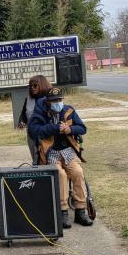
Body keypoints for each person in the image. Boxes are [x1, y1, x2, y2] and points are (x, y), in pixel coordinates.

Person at [28, 87, 91, 229]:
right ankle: (62, 211)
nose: (58, 103)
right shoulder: (40, 113)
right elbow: (33, 131)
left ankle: (80, 210)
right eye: (54, 101)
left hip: (68, 151)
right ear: (48, 102)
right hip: (50, 153)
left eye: (60, 100)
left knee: (78, 172)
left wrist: (70, 129)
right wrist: (55, 128)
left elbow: (82, 128)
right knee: (60, 175)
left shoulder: (68, 110)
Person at [18, 75, 52, 165]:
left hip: (46, 135)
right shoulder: (29, 99)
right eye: (30, 86)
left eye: (35, 85)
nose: (32, 88)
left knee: (47, 160)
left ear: (42, 85)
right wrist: (22, 121)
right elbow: (23, 113)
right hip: (32, 135)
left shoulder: (51, 98)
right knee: (36, 160)